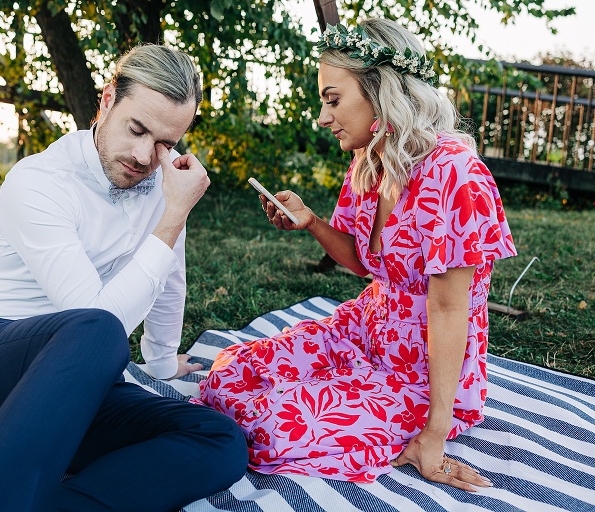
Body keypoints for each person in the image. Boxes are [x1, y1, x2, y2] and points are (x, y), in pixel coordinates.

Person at [0, 44, 248, 512]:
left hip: (81, 385)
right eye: (136, 129)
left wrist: (161, 362)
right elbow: (97, 319)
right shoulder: (39, 179)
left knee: (220, 439)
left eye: (164, 144)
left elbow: (171, 280)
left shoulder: (164, 188)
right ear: (108, 100)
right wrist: (174, 215)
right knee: (96, 328)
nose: (144, 155)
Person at [197, 18, 516, 491]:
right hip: (364, 330)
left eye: (332, 100)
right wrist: (312, 222)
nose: (322, 117)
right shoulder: (370, 160)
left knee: (270, 429)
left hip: (419, 376)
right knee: (230, 376)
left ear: (381, 92)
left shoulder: (455, 174)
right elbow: (366, 262)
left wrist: (433, 436)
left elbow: (451, 311)